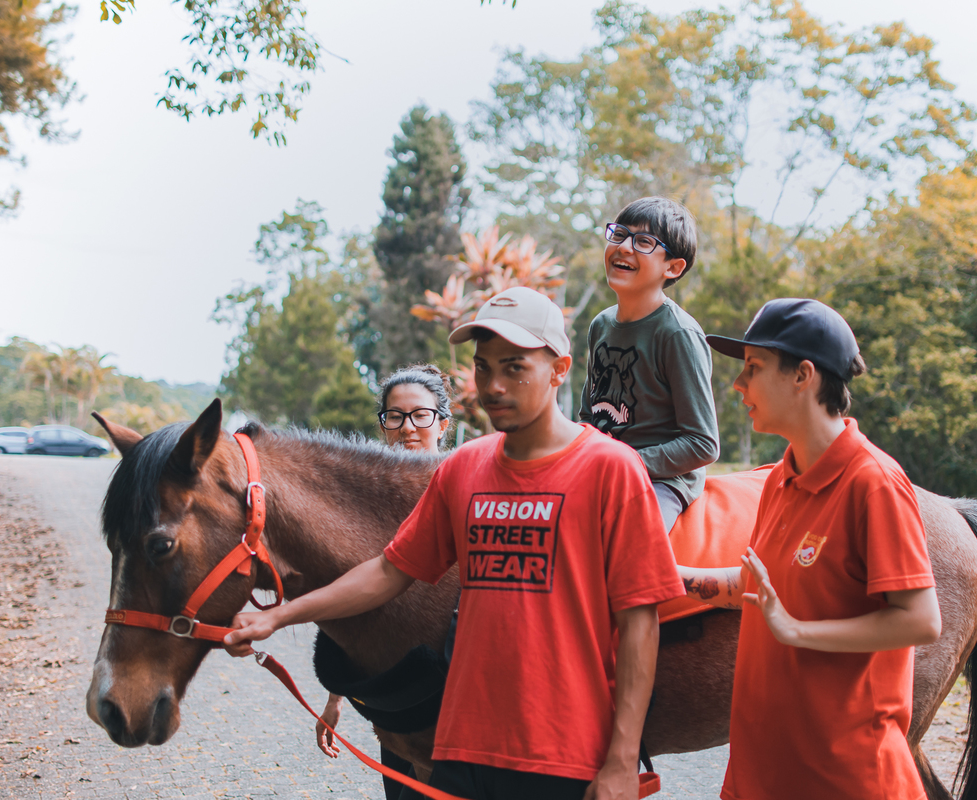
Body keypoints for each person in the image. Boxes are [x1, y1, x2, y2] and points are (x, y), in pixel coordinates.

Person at [225, 287, 684, 800]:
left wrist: (623, 758)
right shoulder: (463, 469)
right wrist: (278, 616)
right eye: (483, 367)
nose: (494, 385)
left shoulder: (611, 469)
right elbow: (387, 572)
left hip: (562, 753)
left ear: (558, 370)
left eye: (515, 368)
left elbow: (640, 621)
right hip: (461, 748)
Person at [677, 298, 941, 800]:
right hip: (761, 775)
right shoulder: (781, 477)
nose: (738, 385)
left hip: (842, 780)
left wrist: (798, 632)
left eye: (752, 369)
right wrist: (665, 575)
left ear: (803, 375)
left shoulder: (875, 484)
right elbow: (757, 589)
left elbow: (922, 619)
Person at [314, 365, 453, 800]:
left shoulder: (466, 485)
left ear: (443, 424)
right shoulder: (368, 507)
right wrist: (335, 698)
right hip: (393, 699)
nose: (407, 428)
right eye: (395, 416)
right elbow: (354, 608)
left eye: (420, 415)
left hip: (455, 694)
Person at [579, 196, 719, 534]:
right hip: (605, 469)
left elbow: (703, 443)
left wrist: (628, 464)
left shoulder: (677, 334)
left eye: (643, 242)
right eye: (619, 234)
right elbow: (588, 416)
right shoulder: (601, 325)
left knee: (630, 541)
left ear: (672, 267)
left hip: (661, 480)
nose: (624, 247)